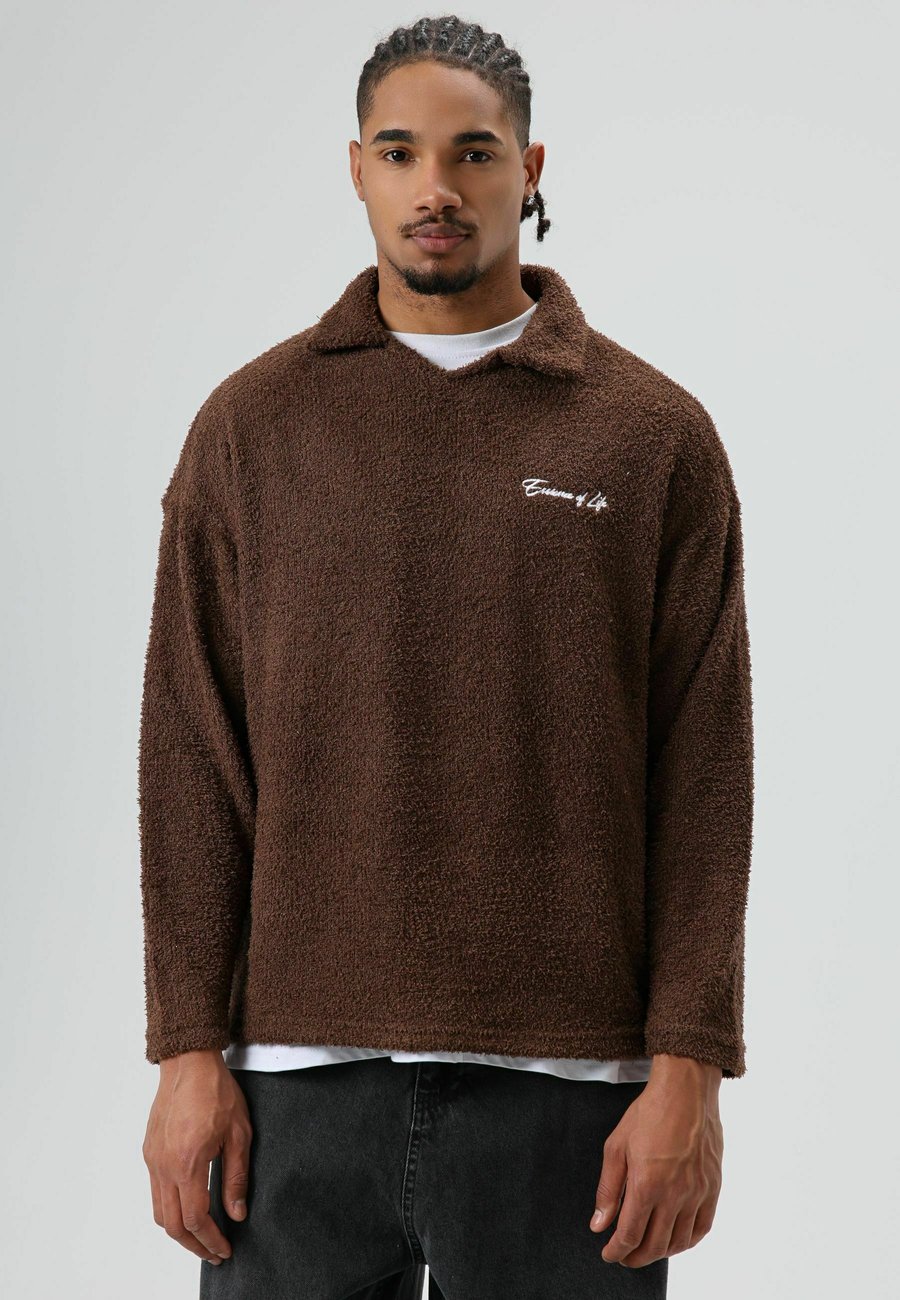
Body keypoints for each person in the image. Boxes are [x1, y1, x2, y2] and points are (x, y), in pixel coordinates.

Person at [138, 15, 754, 1299]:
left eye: (474, 152)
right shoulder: (252, 428)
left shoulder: (652, 436)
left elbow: (704, 773)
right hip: (291, 1097)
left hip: (572, 1098)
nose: (437, 187)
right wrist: (186, 1048)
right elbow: (192, 751)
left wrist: (689, 1068)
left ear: (530, 170)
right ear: (355, 169)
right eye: (400, 151)